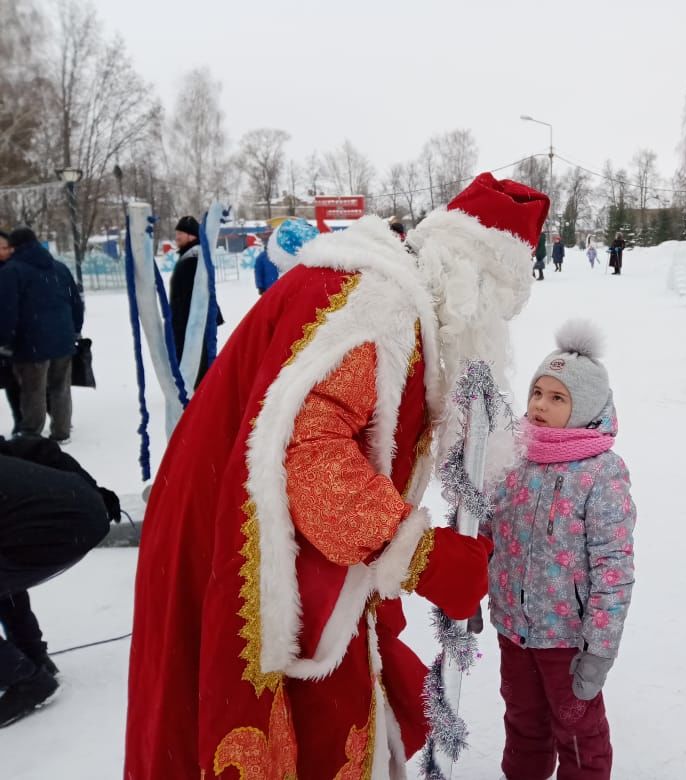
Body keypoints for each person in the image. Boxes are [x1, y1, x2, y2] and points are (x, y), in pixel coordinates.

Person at [124, 172, 550, 778]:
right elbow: (314, 458)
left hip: (230, 513)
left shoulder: (382, 293)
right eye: (497, 310)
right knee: (302, 722)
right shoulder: (380, 307)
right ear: (470, 284)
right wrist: (420, 553)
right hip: (238, 541)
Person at [483, 319, 636, 780]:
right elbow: (484, 531)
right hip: (513, 627)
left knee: (577, 733)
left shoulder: (601, 472)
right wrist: (466, 588)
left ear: (584, 406)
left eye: (557, 398)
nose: (541, 406)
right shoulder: (511, 457)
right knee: (523, 725)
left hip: (568, 638)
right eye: (537, 393)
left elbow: (614, 568)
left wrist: (599, 648)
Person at [0, 434, 119, 727]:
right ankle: (32, 658)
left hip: (59, 519)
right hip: (78, 508)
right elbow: (35, 446)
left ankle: (26, 678)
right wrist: (90, 491)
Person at [0, 227, 83, 443]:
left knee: (32, 390)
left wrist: (5, 339)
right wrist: (75, 329)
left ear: (16, 247)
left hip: (31, 342)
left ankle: (31, 433)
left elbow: (8, 310)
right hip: (63, 339)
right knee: (60, 388)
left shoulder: (11, 271)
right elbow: (76, 301)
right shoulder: (59, 268)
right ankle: (62, 431)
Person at [169, 215, 222, 389]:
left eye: (181, 233)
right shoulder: (190, 257)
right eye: (177, 232)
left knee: (198, 361)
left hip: (191, 324)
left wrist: (180, 323)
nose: (177, 236)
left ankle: (199, 394)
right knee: (197, 360)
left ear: (192, 236)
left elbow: (195, 295)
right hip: (188, 322)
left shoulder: (193, 259)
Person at [0, 231, 20, 432]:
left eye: (7, 247)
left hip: (13, 334)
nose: (6, 251)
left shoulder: (15, 269)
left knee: (13, 380)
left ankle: (20, 420)